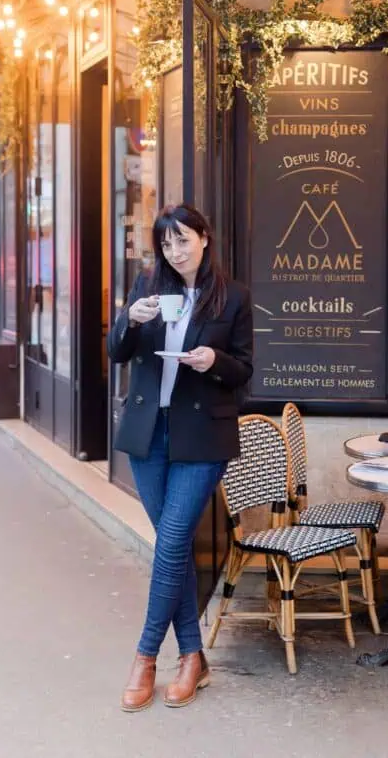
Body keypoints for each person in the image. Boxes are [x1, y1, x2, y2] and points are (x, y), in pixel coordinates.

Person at [107, 203, 253, 712]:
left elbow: (244, 371)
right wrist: (129, 319)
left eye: (184, 240)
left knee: (170, 546)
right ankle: (193, 657)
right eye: (167, 243)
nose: (176, 251)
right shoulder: (148, 288)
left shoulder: (233, 297)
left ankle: (145, 657)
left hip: (201, 439)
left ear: (205, 239)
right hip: (150, 436)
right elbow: (116, 351)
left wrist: (214, 362)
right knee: (174, 550)